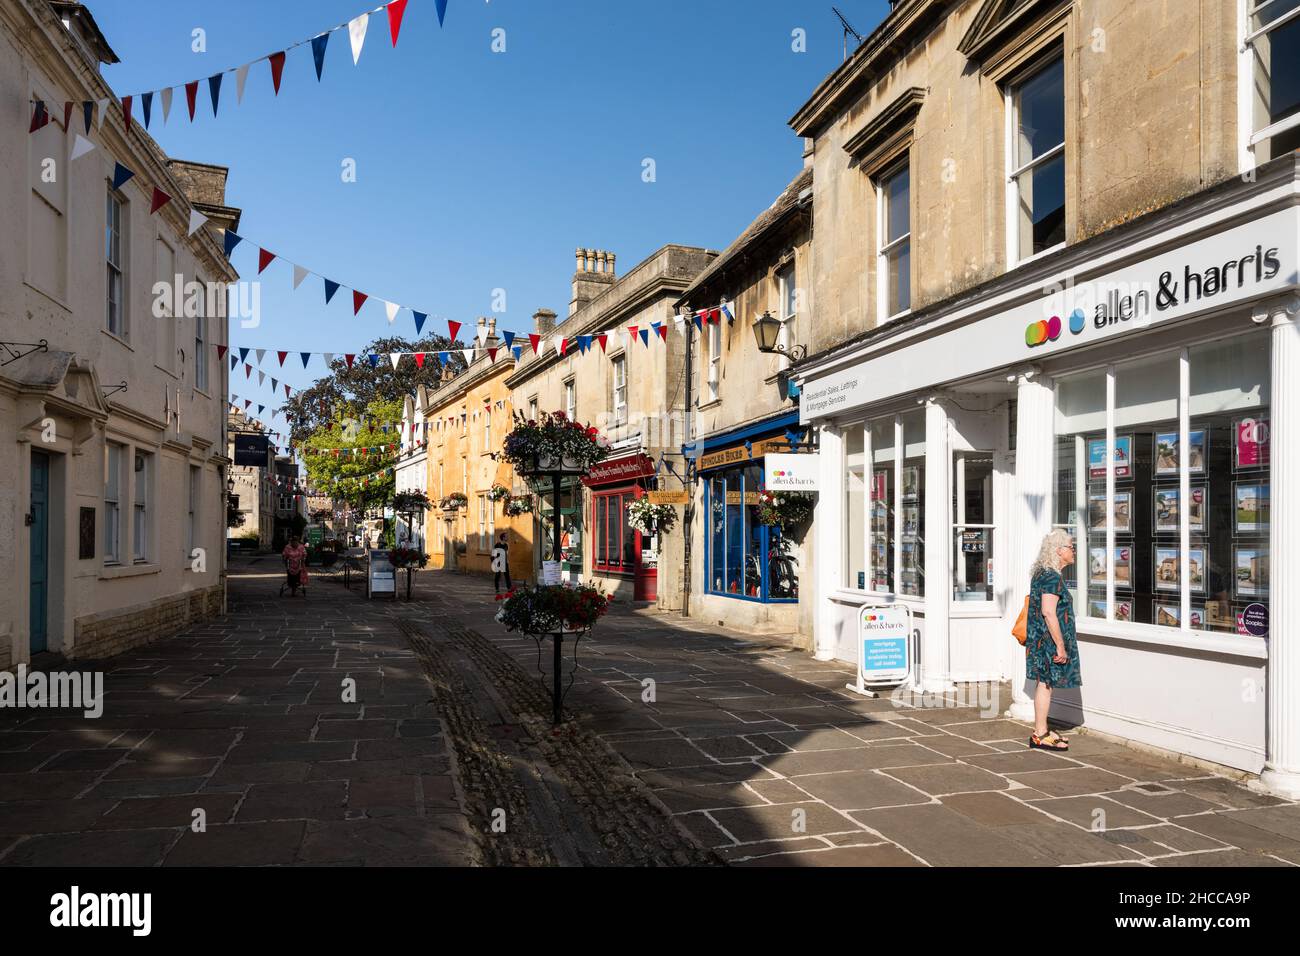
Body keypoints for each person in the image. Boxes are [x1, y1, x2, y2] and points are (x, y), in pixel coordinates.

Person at [1025, 528, 1081, 750]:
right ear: (1059, 551)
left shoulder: (1043, 574)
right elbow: (1049, 612)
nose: (1073, 550)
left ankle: (1043, 730)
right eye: (1070, 546)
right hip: (1047, 642)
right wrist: (1060, 646)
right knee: (1045, 684)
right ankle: (1039, 734)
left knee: (1044, 683)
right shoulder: (1051, 577)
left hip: (1041, 640)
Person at [281, 533, 309, 597]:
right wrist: (285, 559)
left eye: (296, 542)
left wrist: (303, 559)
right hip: (290, 564)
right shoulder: (288, 547)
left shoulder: (301, 547)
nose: (294, 544)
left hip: (299, 564)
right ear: (291, 542)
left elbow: (305, 554)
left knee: (297, 577)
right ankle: (293, 588)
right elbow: (284, 554)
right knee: (291, 577)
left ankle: (294, 589)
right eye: (293, 542)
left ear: (298, 542)